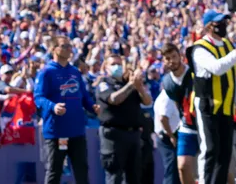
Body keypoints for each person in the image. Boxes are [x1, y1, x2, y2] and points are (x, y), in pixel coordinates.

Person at [188, 11, 236, 184]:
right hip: (207, 106)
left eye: (224, 22)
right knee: (210, 149)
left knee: (225, 152)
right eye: (218, 22)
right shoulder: (199, 48)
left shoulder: (227, 44)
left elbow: (233, 77)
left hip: (226, 106)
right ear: (208, 26)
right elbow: (217, 67)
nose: (223, 25)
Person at [35, 35, 97, 184]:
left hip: (77, 131)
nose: (69, 49)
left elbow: (83, 96)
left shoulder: (74, 72)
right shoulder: (46, 72)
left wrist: (92, 106)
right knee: (54, 171)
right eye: (64, 46)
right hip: (57, 132)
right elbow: (38, 98)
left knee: (82, 171)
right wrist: (53, 106)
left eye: (70, 46)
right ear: (54, 49)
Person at [95, 49, 153, 184]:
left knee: (134, 176)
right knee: (114, 176)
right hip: (113, 135)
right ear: (106, 67)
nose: (117, 67)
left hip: (132, 134)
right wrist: (131, 85)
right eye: (113, 64)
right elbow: (114, 99)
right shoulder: (104, 84)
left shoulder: (130, 83)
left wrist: (139, 87)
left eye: (119, 64)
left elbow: (147, 101)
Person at [160, 43, 198, 184]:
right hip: (187, 125)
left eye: (174, 56)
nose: (172, 61)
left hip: (205, 123)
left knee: (219, 169)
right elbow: (177, 104)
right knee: (182, 166)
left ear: (180, 56)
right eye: (167, 58)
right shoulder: (167, 82)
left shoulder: (194, 72)